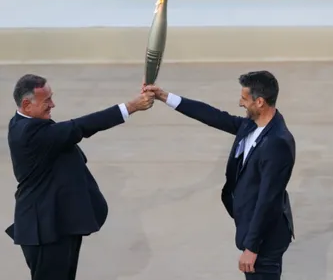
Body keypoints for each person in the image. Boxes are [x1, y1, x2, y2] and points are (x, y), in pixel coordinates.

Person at [143, 70, 295, 280]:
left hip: (265, 240)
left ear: (259, 102)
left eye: (244, 98)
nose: (240, 103)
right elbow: (213, 116)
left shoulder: (278, 143)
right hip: (252, 226)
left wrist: (252, 248)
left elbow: (269, 199)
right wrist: (165, 97)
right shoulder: (252, 125)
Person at [6, 73, 155, 280]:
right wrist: (132, 106)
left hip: (59, 222)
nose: (53, 104)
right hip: (44, 230)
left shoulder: (30, 122)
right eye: (46, 100)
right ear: (26, 104)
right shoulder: (30, 133)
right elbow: (80, 126)